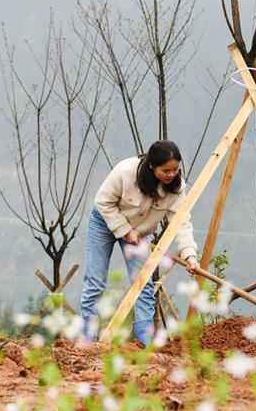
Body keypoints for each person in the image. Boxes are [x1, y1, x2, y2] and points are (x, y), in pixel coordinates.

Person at [79, 140, 199, 345]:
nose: (172, 174)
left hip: (140, 233)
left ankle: (145, 339)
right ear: (152, 166)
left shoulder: (177, 188)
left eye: (176, 169)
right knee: (95, 282)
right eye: (166, 170)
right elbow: (103, 202)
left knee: (143, 283)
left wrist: (189, 255)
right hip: (104, 222)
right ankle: (87, 336)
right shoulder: (125, 172)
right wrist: (125, 231)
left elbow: (181, 222)